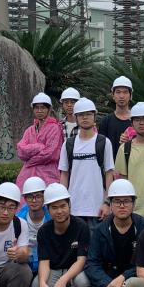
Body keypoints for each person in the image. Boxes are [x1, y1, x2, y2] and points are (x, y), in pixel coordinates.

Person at [31, 183, 93, 287]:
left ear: (69, 205)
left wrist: (63, 280)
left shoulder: (81, 227)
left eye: (63, 206)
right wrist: (42, 283)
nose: (59, 211)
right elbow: (44, 262)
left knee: (83, 283)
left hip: (76, 271)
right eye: (54, 207)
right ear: (48, 209)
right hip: (55, 270)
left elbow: (81, 260)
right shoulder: (44, 231)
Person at [84, 179, 144, 287]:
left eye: (126, 201)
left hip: (136, 277)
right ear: (110, 204)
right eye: (117, 201)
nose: (122, 205)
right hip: (110, 277)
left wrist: (124, 277)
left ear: (133, 203)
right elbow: (92, 264)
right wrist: (109, 284)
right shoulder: (100, 230)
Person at [59, 98, 115, 228]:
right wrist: (63, 203)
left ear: (94, 116)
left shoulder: (104, 142)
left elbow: (109, 174)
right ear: (76, 117)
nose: (85, 118)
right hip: (73, 208)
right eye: (81, 115)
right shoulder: (68, 144)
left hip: (97, 209)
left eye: (89, 114)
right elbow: (64, 175)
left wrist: (107, 203)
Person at [15, 92, 63, 190]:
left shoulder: (54, 128)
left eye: (43, 108)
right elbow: (21, 151)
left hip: (48, 174)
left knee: (48, 197)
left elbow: (51, 154)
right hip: (27, 174)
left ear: (49, 109)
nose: (39, 110)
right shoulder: (29, 130)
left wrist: (29, 161)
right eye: (36, 108)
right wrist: (39, 147)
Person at [16, 176, 51, 274]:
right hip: (24, 263)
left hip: (49, 262)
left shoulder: (52, 218)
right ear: (25, 198)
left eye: (38, 196)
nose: (34, 200)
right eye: (30, 197)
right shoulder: (18, 220)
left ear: (44, 197)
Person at [97, 75, 134, 154]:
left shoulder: (137, 120)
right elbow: (101, 147)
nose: (121, 96)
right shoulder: (106, 121)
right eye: (118, 92)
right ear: (113, 95)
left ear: (130, 95)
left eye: (125, 92)